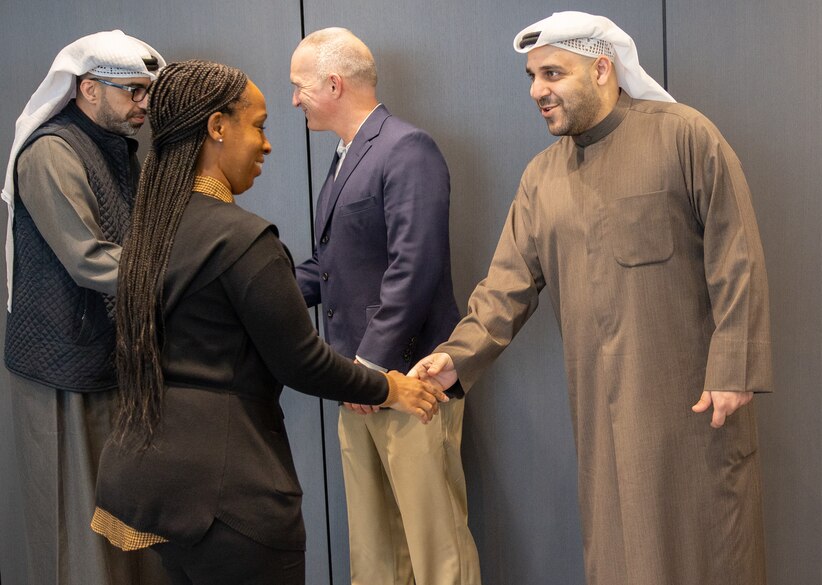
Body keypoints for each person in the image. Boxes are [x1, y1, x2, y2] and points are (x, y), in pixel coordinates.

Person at [411, 11, 773, 585]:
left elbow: (737, 257)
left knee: (708, 551)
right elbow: (505, 286)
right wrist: (455, 357)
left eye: (552, 73)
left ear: (602, 69)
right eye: (531, 77)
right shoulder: (541, 177)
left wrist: (734, 367)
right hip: (600, 415)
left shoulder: (684, 135)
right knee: (619, 552)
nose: (537, 91)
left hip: (693, 405)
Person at [90, 59, 447, 585]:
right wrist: (388, 386)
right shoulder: (242, 239)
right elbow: (301, 362)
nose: (267, 144)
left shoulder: (148, 232)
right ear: (217, 127)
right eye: (257, 126)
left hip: (145, 484)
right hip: (228, 497)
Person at [290, 28, 481, 585]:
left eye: (300, 87)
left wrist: (369, 370)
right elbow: (330, 267)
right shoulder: (346, 155)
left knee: (435, 547)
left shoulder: (407, 148)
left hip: (411, 380)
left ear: (333, 83)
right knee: (374, 550)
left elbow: (413, 270)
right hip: (358, 384)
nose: (294, 99)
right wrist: (255, 290)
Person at [1, 30, 168, 585]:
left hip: (111, 360)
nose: (144, 105)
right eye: (133, 93)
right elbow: (89, 260)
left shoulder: (118, 148)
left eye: (148, 92)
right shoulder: (51, 151)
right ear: (88, 89)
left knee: (126, 526)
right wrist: (188, 282)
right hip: (62, 372)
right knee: (78, 528)